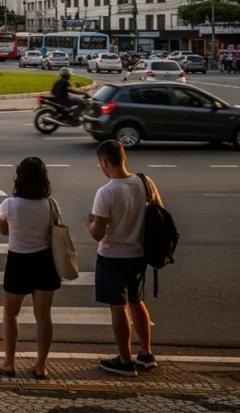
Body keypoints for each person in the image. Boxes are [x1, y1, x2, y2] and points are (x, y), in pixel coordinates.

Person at [89, 140, 161, 377]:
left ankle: (124, 360)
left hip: (112, 257)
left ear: (104, 163)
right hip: (139, 255)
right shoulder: (145, 182)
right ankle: (146, 354)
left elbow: (97, 233)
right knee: (137, 302)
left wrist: (90, 223)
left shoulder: (106, 192)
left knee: (118, 308)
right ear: (124, 157)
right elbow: (158, 212)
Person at [0, 157, 61, 380]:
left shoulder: (9, 205)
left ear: (19, 178)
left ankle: (9, 363)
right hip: (45, 263)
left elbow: (4, 231)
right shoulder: (51, 204)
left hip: (18, 262)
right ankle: (40, 366)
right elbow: (56, 230)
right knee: (43, 317)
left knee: (11, 313)